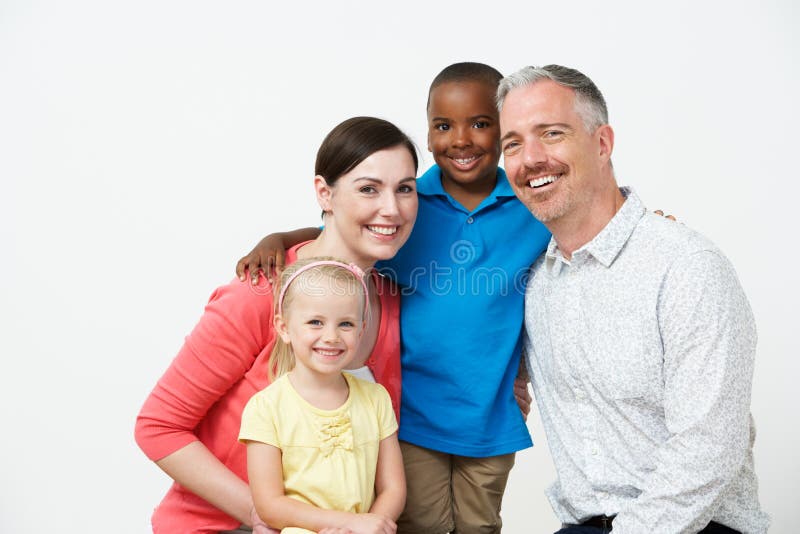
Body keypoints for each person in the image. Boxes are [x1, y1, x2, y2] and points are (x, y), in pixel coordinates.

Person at [236, 62, 552, 534]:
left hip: (489, 416)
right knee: (420, 524)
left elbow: (581, 230)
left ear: (505, 129)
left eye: (481, 124)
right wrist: (278, 236)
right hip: (411, 416)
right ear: (427, 134)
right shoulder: (408, 201)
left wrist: (651, 226)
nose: (461, 139)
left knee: (480, 525)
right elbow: (340, 229)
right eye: (444, 126)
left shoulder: (531, 205)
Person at [497, 64, 769, 533]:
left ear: (602, 143)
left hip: (699, 526)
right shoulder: (534, 283)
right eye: (513, 143)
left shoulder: (685, 267)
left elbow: (707, 453)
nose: (530, 158)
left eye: (552, 133)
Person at [135, 116, 419, 534]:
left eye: (406, 189)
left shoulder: (390, 299)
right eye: (368, 189)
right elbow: (158, 426)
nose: (391, 209)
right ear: (324, 192)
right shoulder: (259, 292)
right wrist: (259, 512)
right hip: (223, 526)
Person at [240, 258, 405, 534]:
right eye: (316, 322)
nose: (331, 336)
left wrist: (371, 526)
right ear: (283, 328)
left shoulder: (376, 398)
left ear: (361, 330)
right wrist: (345, 523)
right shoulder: (265, 408)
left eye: (346, 324)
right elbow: (270, 504)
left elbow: (393, 487)